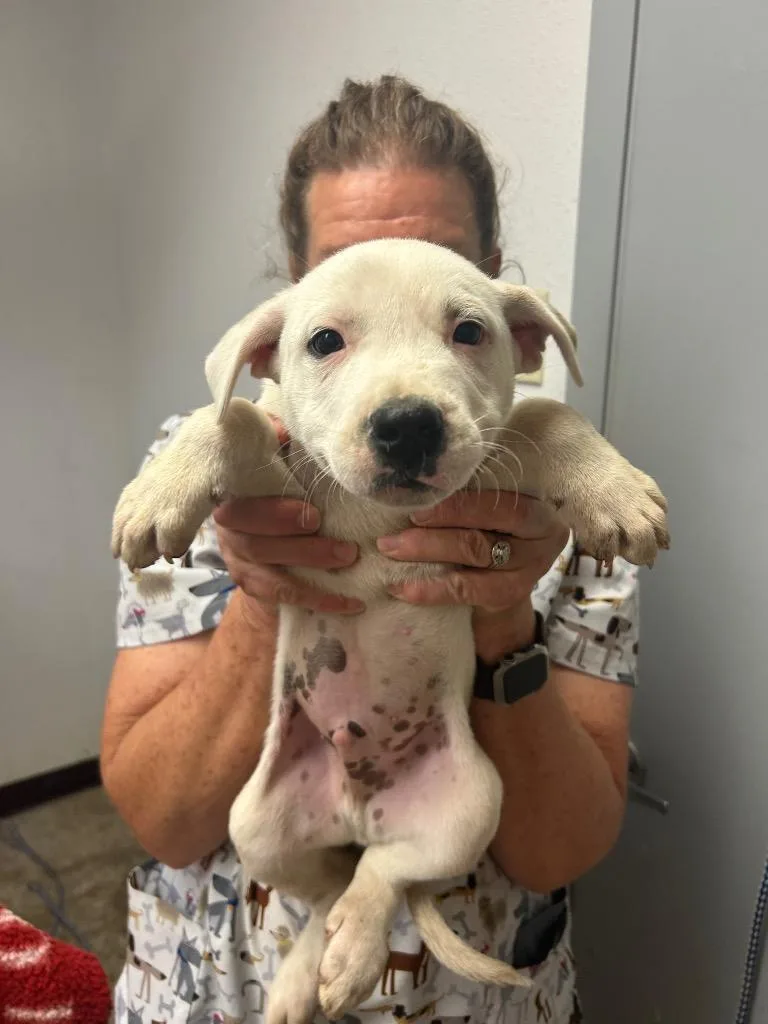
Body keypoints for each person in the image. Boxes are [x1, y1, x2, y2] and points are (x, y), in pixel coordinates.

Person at [102, 75, 639, 1024]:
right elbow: (161, 818)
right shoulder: (202, 475)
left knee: (448, 813)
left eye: (454, 315)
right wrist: (265, 590)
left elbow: (560, 849)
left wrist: (504, 611)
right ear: (282, 332)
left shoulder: (576, 499)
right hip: (216, 977)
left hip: (470, 986)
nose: (402, 390)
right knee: (259, 830)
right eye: (346, 307)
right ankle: (326, 922)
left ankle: (381, 883)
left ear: (517, 330)